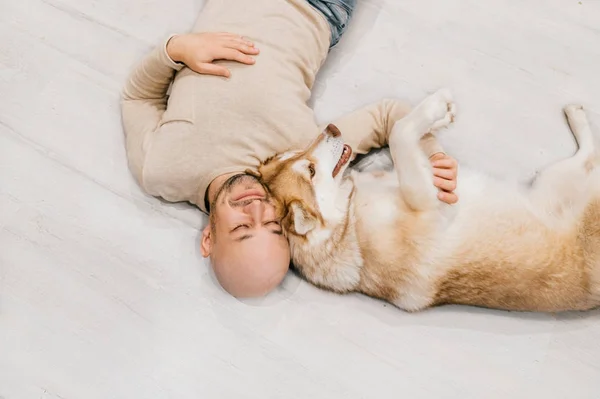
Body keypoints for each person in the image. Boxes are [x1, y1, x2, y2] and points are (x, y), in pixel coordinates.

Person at [120, 0, 459, 298]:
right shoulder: (298, 162)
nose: (256, 210)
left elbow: (136, 97)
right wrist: (432, 156)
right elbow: (387, 118)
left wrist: (176, 50)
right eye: (271, 225)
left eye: (241, 229)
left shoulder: (161, 170)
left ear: (208, 239)